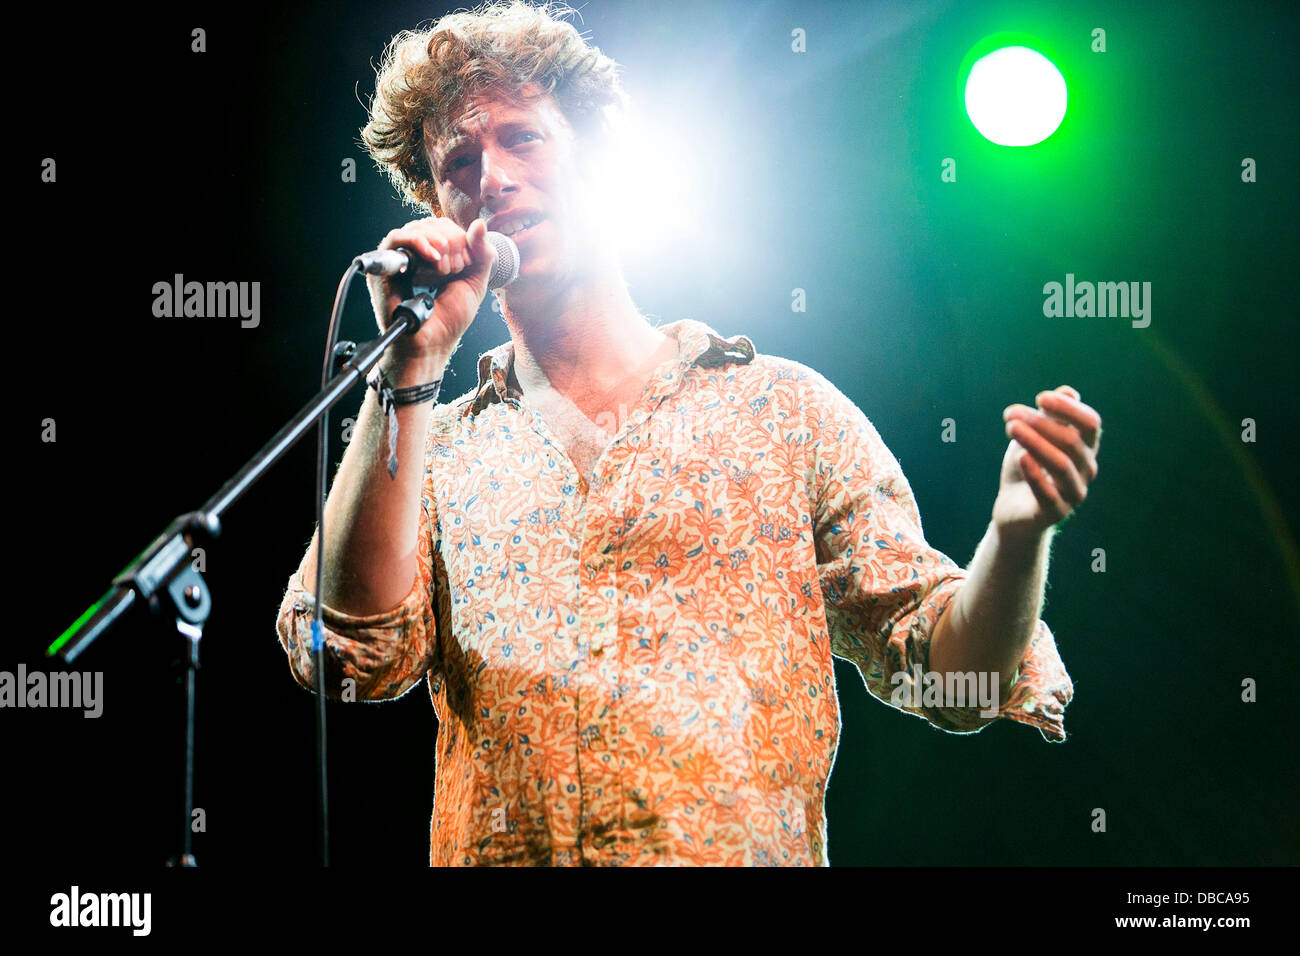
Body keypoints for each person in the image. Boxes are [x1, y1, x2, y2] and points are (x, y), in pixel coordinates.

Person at [275, 0, 1102, 866]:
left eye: (523, 138)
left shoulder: (785, 409)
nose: (492, 176)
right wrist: (410, 366)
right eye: (458, 162)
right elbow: (345, 652)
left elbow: (951, 675)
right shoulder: (432, 451)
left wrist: (1016, 537)